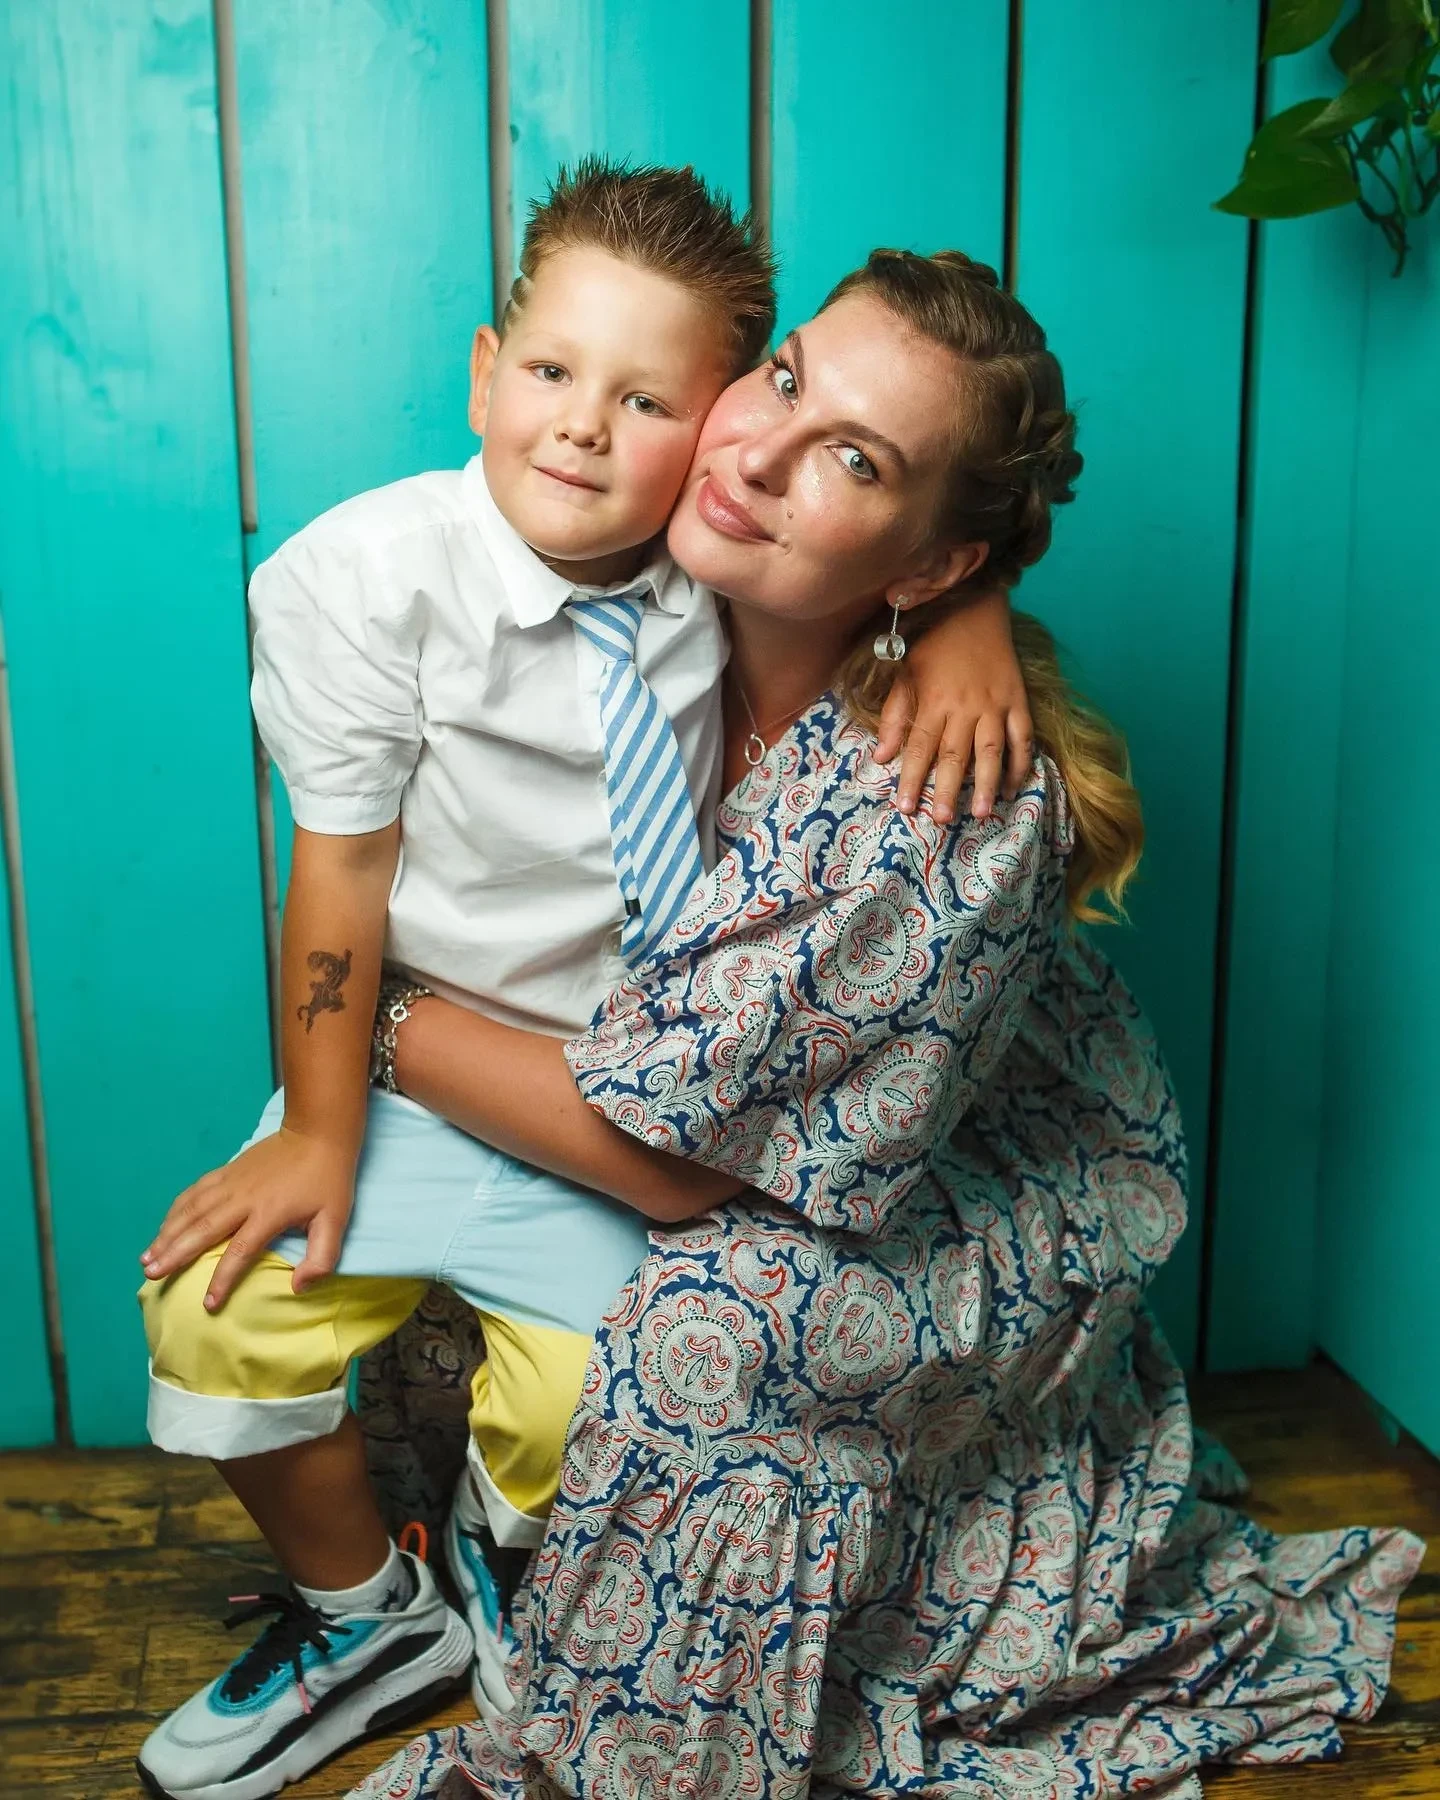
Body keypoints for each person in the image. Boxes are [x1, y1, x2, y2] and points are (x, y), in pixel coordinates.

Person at [349, 248, 1424, 1800]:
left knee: (709, 1324)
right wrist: (970, 593)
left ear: (929, 561)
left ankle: (651, 1716)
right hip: (694, 1086)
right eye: (782, 379)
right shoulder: (651, 542)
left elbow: (676, 1169)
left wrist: (369, 1015)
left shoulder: (946, 799)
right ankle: (459, 1557)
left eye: (854, 460)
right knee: (399, 1208)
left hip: (952, 1181)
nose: (759, 455)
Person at [133, 165, 1032, 1800]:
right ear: (487, 373)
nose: (588, 430)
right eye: (551, 374)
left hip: (669, 1123)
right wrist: (320, 1129)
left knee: (595, 1403)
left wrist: (970, 612)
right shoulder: (408, 578)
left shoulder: (752, 604)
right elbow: (337, 874)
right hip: (448, 1089)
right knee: (221, 1312)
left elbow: (890, 553)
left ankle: (502, 1560)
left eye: (648, 402)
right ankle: (366, 1615)